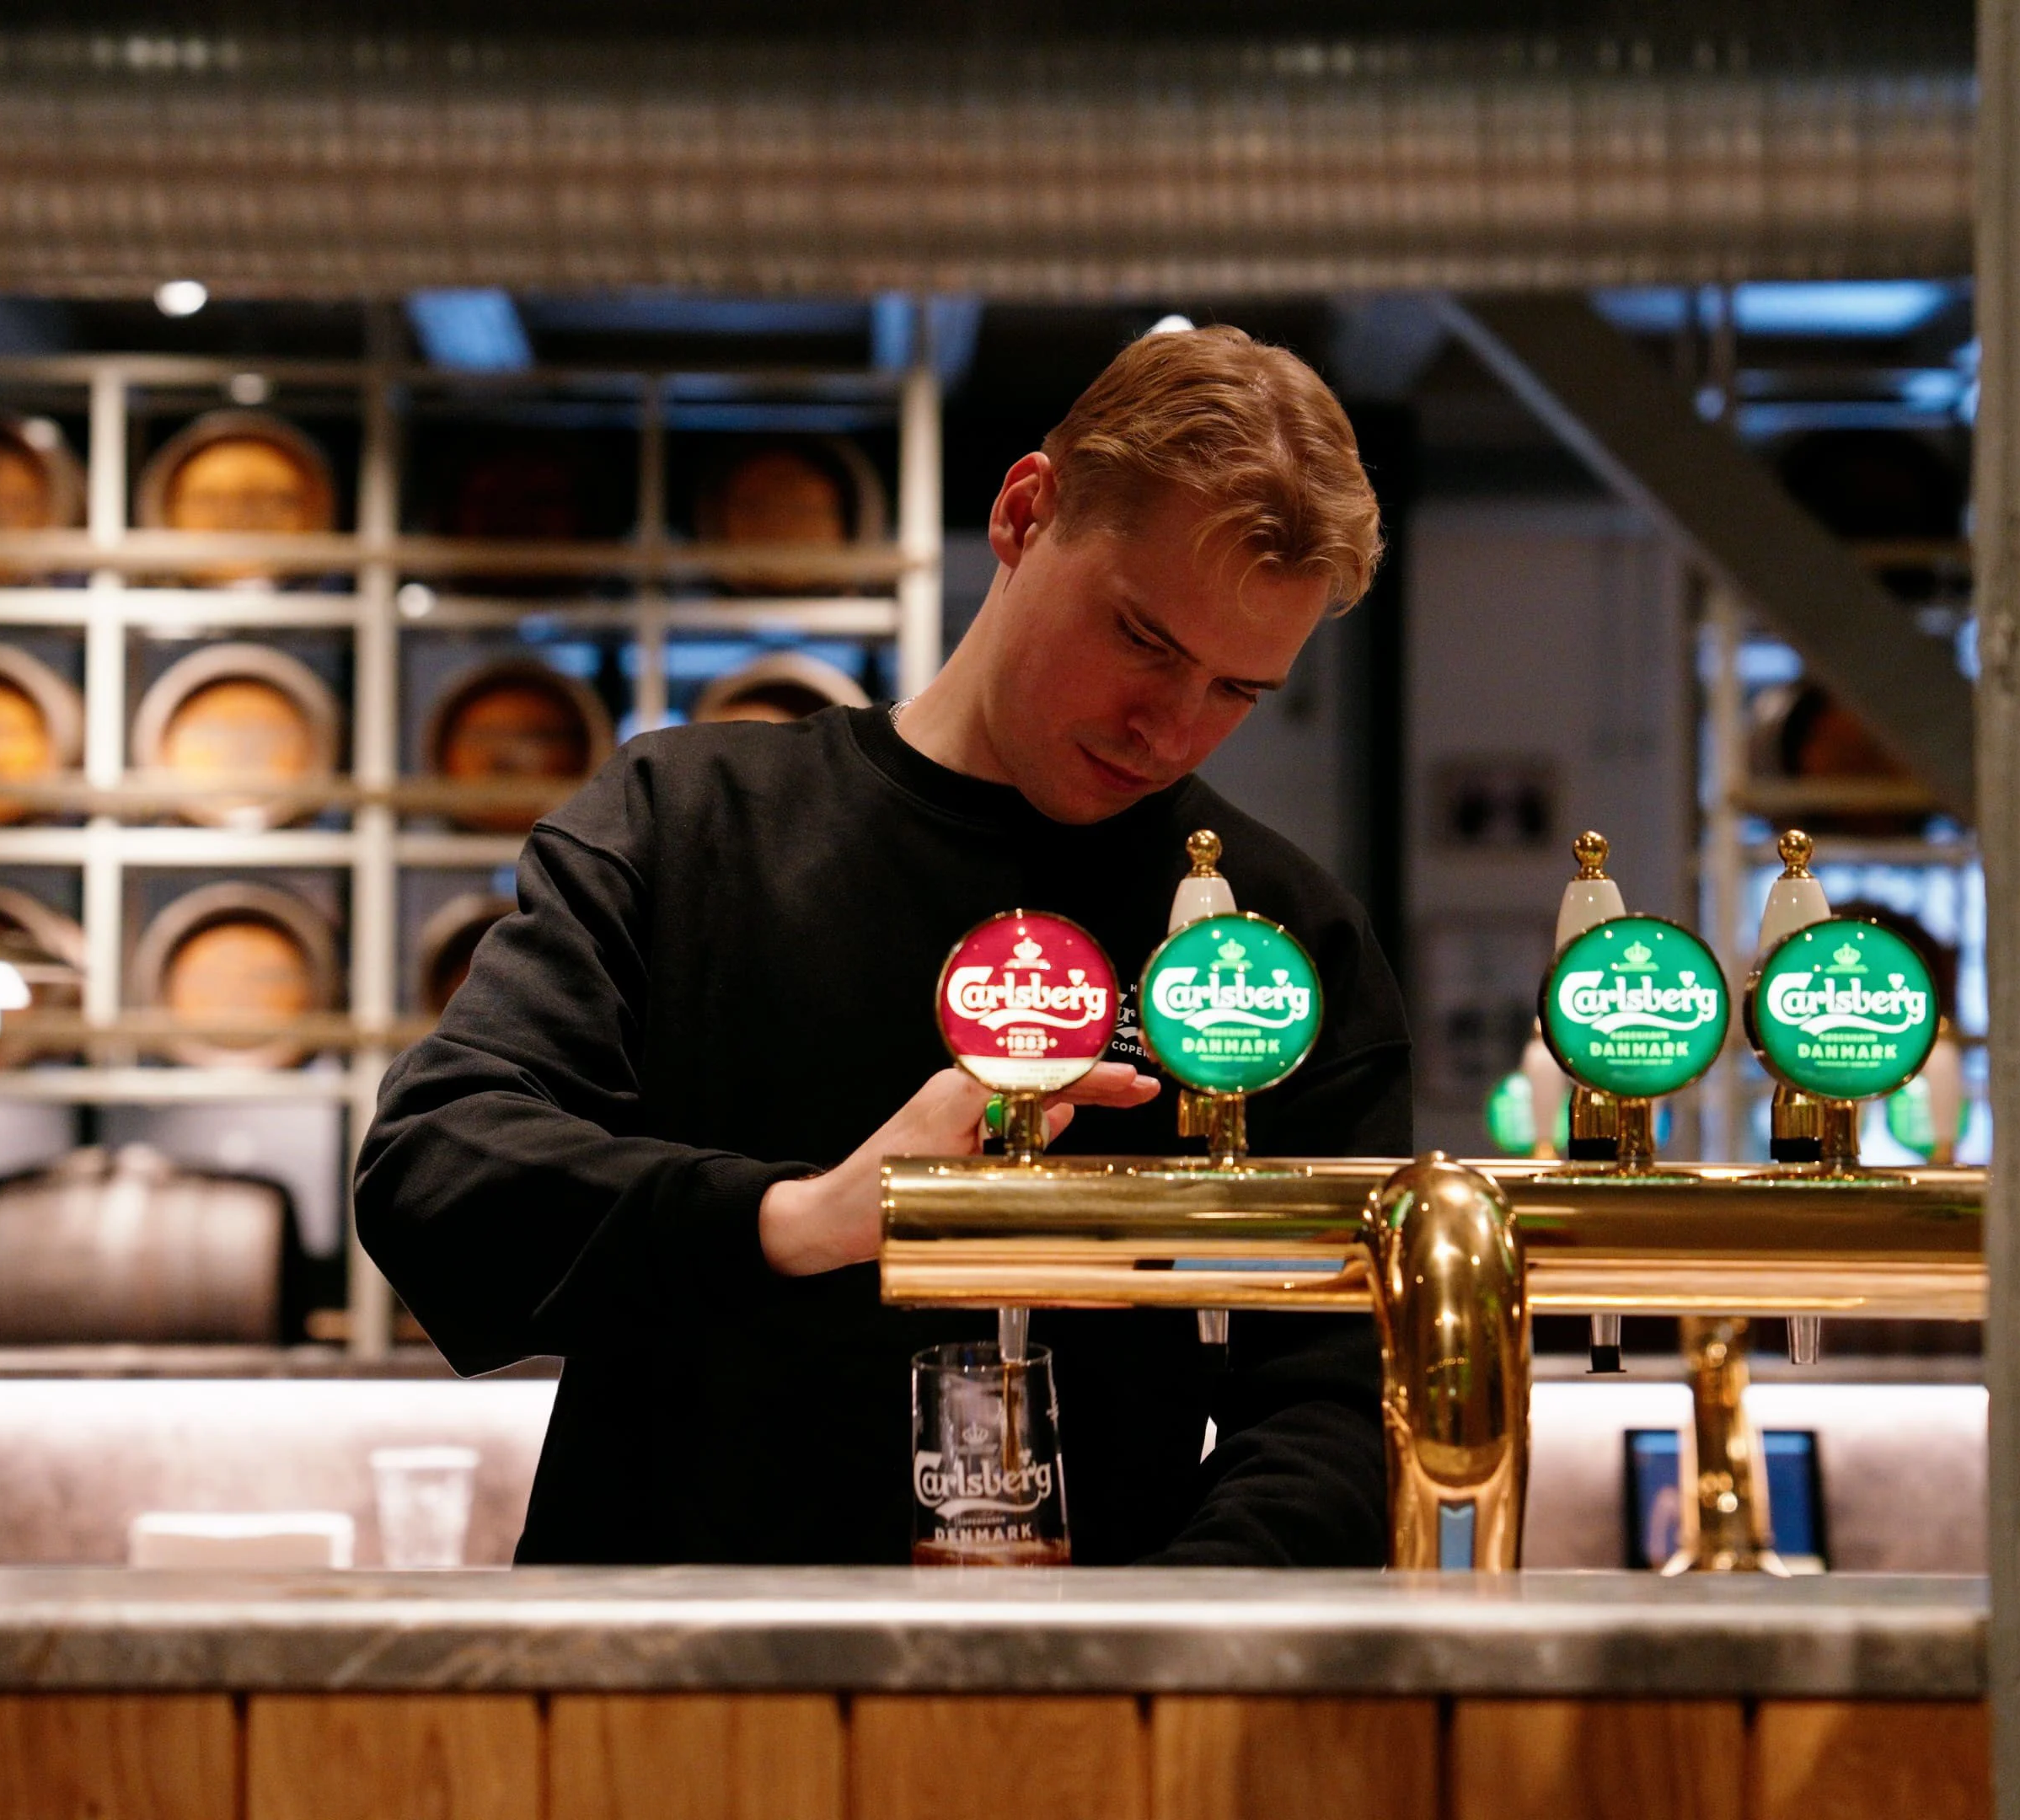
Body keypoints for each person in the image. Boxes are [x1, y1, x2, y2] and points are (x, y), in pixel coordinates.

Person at [355, 325, 1411, 1566]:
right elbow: (436, 1171)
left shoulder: (1274, 945)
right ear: (1027, 513)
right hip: (658, 1693)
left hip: (1091, 1717)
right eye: (1144, 640)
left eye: (1239, 690)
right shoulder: (691, 822)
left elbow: (1339, 1407)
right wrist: (804, 1218)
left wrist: (1155, 1651)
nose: (1172, 728)